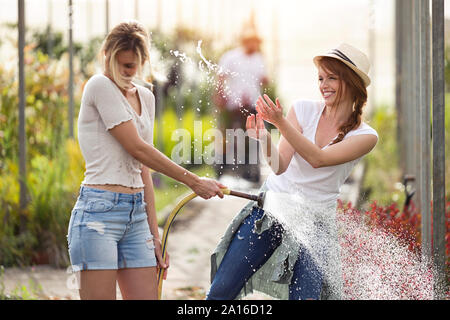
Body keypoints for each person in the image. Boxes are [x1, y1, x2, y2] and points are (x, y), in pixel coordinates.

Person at [67, 21, 225, 300]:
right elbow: (137, 148)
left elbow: (143, 167)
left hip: (136, 216)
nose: (126, 73)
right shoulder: (99, 85)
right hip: (97, 215)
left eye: (133, 66)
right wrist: (194, 181)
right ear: (107, 54)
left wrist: (154, 234)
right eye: (121, 64)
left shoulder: (145, 96)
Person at [207, 43, 378, 300]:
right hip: (273, 211)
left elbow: (318, 159)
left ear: (352, 83)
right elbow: (279, 166)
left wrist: (281, 122)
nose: (323, 85)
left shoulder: (365, 136)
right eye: (321, 78)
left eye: (332, 77)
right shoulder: (302, 109)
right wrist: (264, 138)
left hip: (316, 225)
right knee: (220, 291)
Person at [214, 18, 268, 183]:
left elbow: (264, 80)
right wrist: (221, 96)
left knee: (253, 137)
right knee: (230, 137)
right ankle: (226, 169)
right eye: (252, 42)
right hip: (233, 106)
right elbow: (220, 77)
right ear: (246, 42)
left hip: (252, 105)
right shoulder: (231, 57)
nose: (255, 46)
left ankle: (252, 172)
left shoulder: (259, 58)